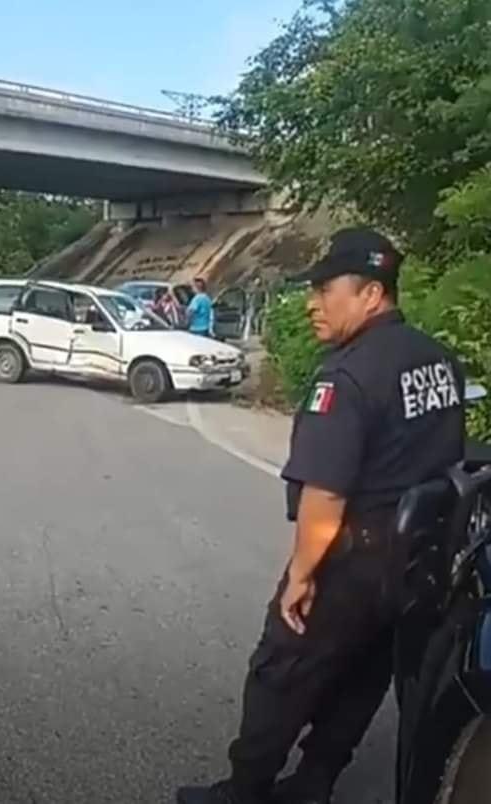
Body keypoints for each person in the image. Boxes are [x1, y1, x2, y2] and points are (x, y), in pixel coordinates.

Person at [177, 228, 466, 804]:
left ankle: (245, 790)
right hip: (417, 561)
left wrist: (304, 575)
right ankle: (314, 783)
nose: (312, 303)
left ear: (371, 294)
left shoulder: (347, 377)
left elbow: (326, 496)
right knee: (364, 675)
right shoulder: (439, 361)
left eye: (325, 288)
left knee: (282, 672)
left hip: (352, 560)